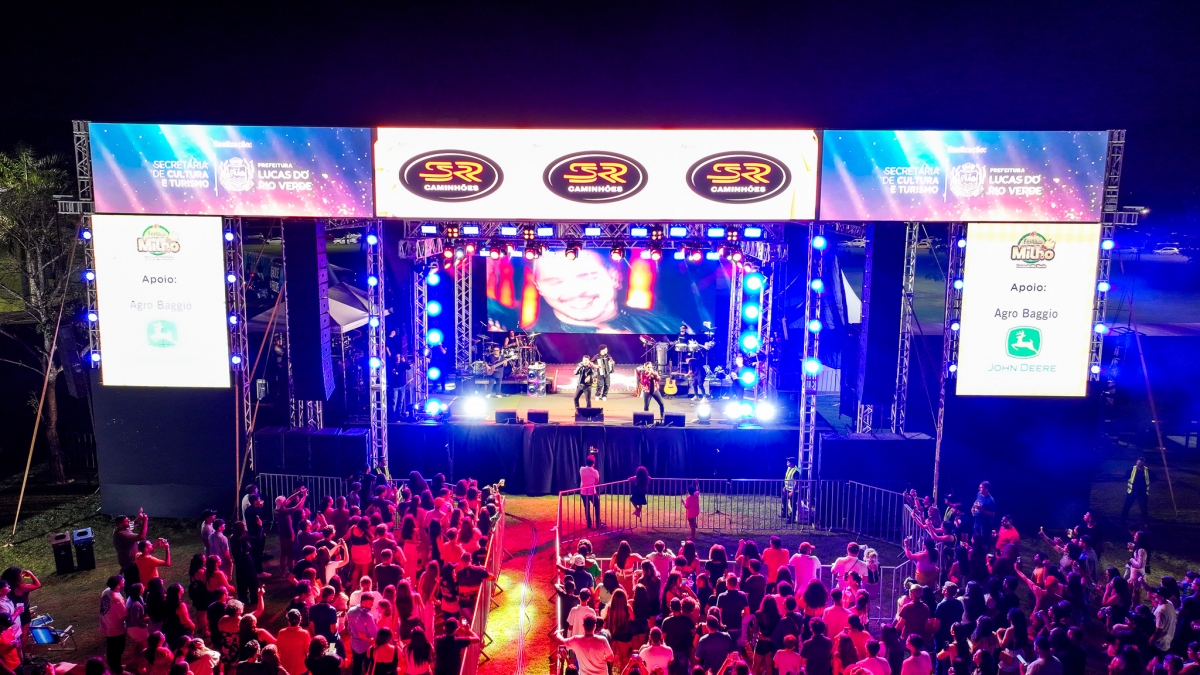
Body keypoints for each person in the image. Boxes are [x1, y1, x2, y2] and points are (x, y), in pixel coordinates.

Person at [99, 575, 128, 674]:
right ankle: (118, 670)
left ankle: (114, 666)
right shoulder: (116, 599)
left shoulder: (106, 591)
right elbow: (124, 615)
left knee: (111, 649)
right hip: (116, 629)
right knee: (118, 649)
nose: (124, 580)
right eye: (122, 580)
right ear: (118, 585)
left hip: (106, 625)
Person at [347, 592, 379, 675]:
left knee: (356, 667)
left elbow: (349, 629)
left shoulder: (351, 611)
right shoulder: (368, 616)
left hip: (354, 645)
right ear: (364, 602)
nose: (372, 605)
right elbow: (375, 634)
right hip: (366, 647)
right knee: (369, 668)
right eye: (370, 603)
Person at [114, 512, 150, 585]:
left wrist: (139, 517)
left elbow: (134, 523)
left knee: (132, 580)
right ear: (120, 525)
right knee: (134, 582)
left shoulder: (124, 528)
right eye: (126, 521)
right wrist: (145, 521)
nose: (129, 521)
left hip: (129, 562)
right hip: (130, 564)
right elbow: (141, 537)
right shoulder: (122, 534)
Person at [276, 609, 311, 675]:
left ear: (288, 621)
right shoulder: (304, 634)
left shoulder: (281, 633)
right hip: (301, 670)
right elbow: (307, 652)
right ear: (300, 619)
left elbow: (277, 649)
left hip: (286, 669)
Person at [1122, 457, 1151, 524]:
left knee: (1143, 508)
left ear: (1144, 463)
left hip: (1142, 493)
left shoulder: (1147, 471)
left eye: (1140, 463)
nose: (1139, 464)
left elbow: (1154, 478)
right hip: (1132, 492)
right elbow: (1125, 476)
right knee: (1127, 506)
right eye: (1138, 462)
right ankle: (1122, 521)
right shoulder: (1131, 469)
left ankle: (1145, 523)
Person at [580, 455, 602, 529]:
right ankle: (598, 523)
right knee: (597, 506)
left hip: (583, 492)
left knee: (586, 508)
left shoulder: (581, 469)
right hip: (592, 492)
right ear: (593, 463)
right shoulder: (595, 472)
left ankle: (589, 524)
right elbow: (596, 482)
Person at [781, 458, 800, 523]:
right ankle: (785, 513)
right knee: (784, 500)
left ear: (792, 463)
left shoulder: (796, 471)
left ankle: (792, 518)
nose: (787, 462)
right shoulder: (789, 468)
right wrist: (785, 487)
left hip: (793, 491)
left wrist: (792, 492)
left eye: (788, 461)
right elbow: (788, 478)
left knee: (793, 504)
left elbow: (796, 483)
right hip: (787, 489)